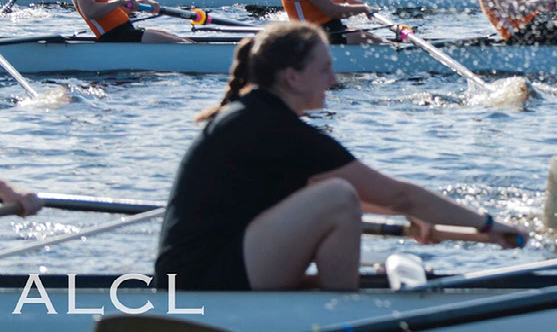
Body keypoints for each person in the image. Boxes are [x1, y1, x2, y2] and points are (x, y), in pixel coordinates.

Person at [155, 22, 527, 291]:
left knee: (336, 192)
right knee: (338, 197)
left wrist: (416, 217)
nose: (334, 79)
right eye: (325, 69)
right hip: (200, 282)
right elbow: (398, 195)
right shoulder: (275, 128)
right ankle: (341, 307)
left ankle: (334, 295)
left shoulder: (255, 114)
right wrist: (488, 225)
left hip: (196, 272)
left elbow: (385, 201)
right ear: (292, 78)